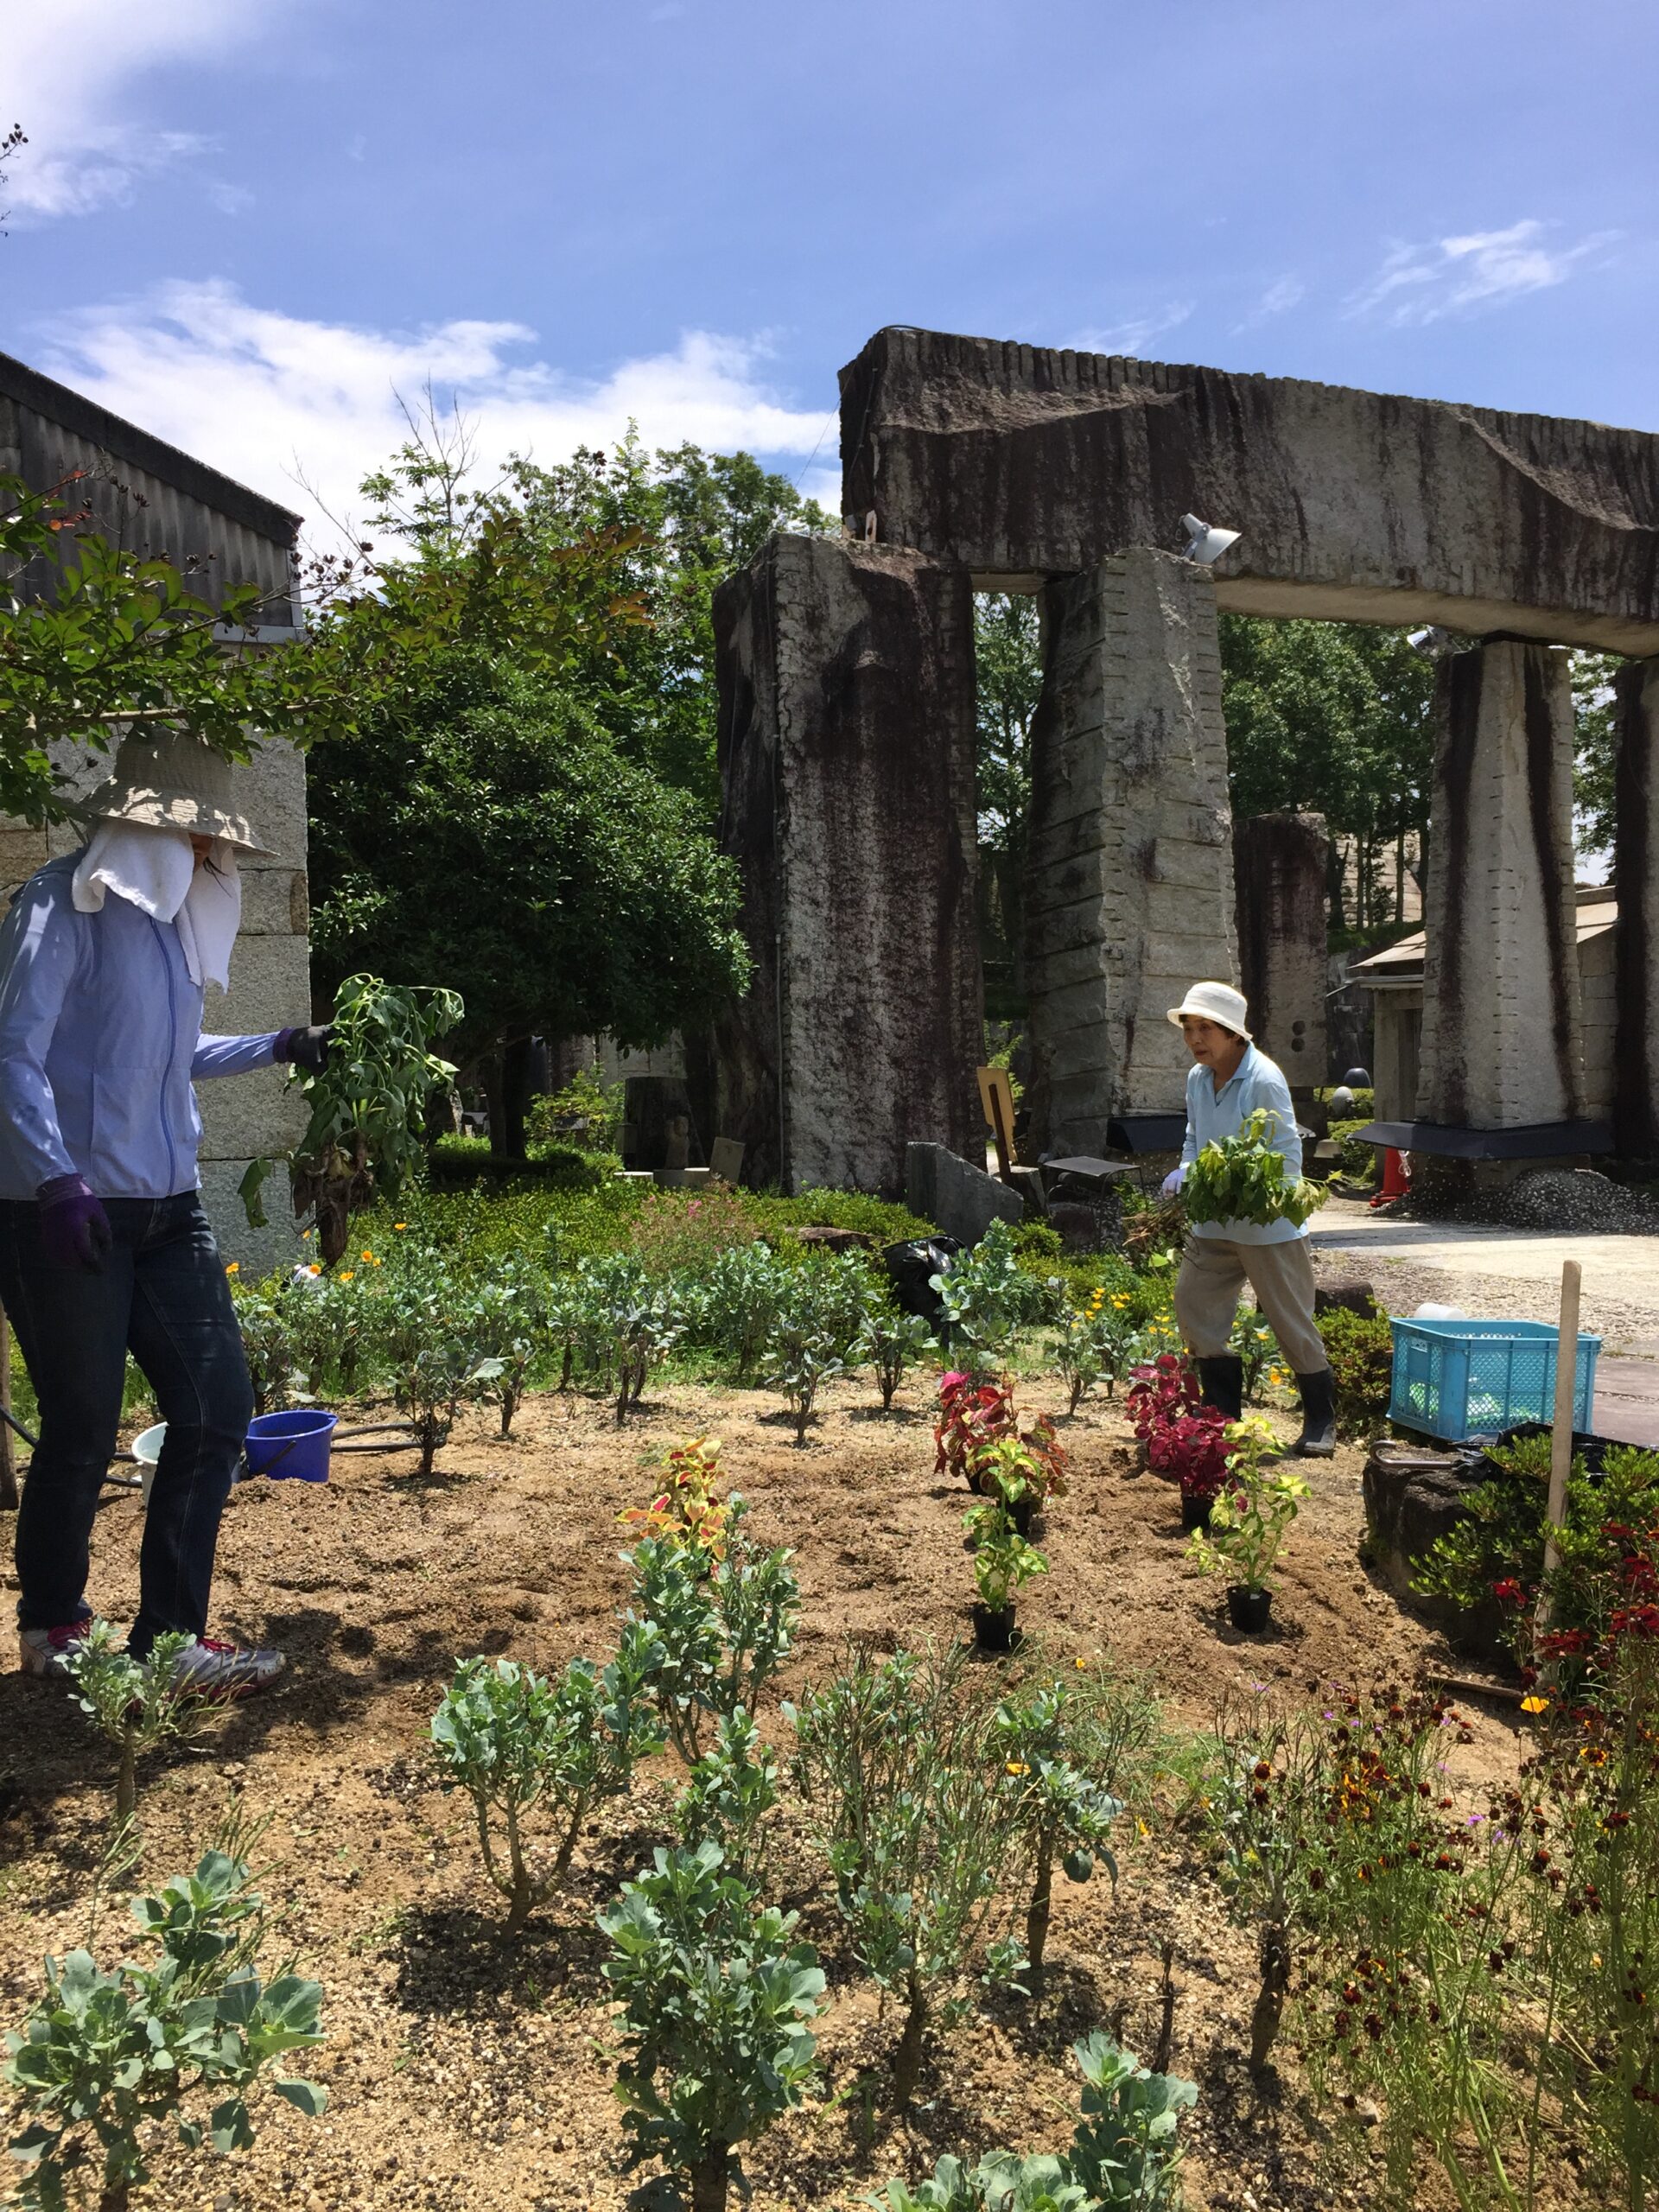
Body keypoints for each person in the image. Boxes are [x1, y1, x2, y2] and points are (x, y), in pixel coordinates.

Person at [0, 731, 333, 1686]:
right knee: (80, 1419)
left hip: (166, 1208)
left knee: (217, 1407)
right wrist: (56, 1176)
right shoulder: (63, 902)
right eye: (191, 836)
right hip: (60, 1208)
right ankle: (54, 1624)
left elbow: (167, 1056)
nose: (206, 855)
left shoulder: (175, 928)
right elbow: (15, 1048)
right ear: (139, 828)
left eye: (210, 841)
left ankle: (170, 1639)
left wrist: (276, 1042)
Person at [1160, 982, 1337, 1456]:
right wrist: (1187, 1168)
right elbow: (1195, 1136)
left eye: (1206, 1029)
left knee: (1291, 1322)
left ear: (1234, 1034)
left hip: (1267, 1227)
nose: (1195, 1039)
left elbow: (1284, 1154)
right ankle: (1222, 1418)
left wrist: (1247, 1191)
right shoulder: (1199, 1078)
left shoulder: (1263, 1078)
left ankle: (1321, 1420)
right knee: (1194, 1306)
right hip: (1212, 1221)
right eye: (1189, 1029)